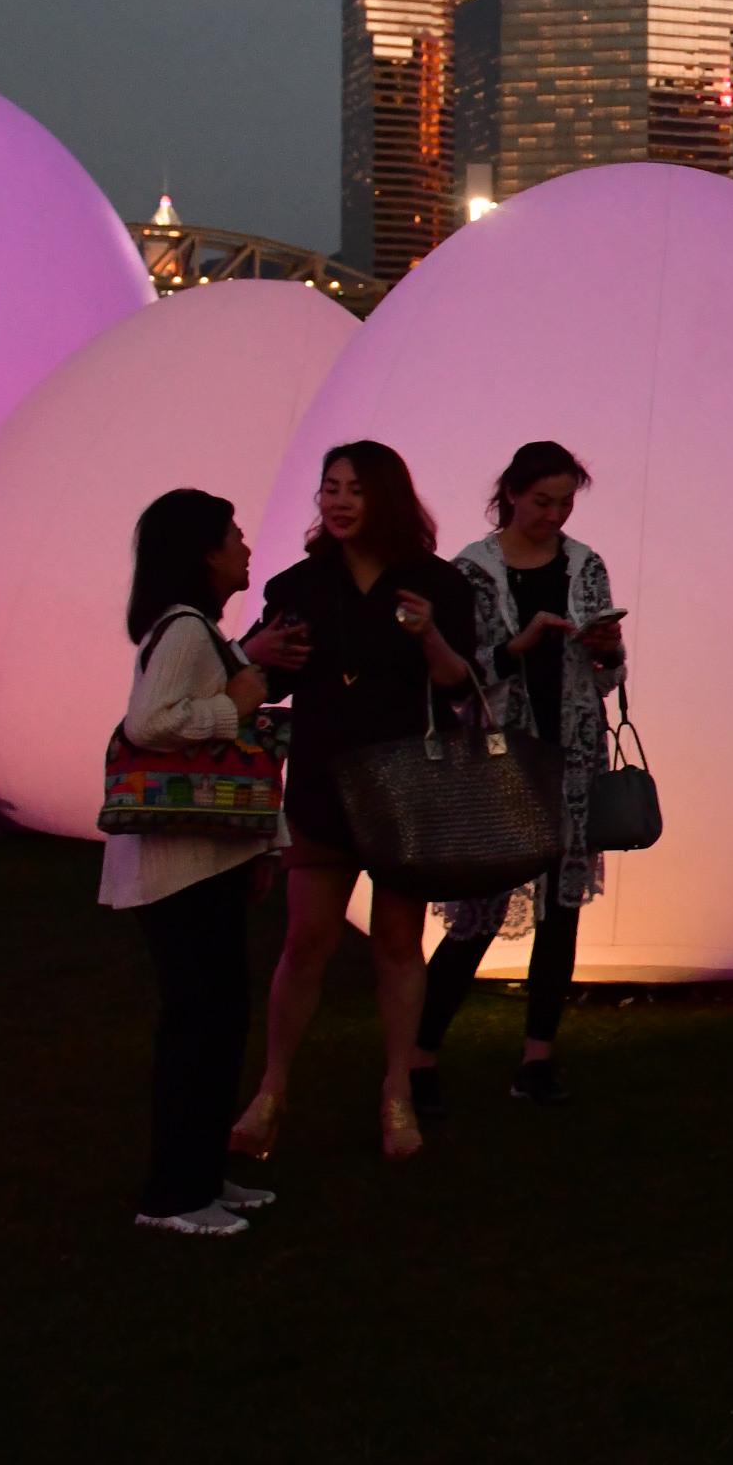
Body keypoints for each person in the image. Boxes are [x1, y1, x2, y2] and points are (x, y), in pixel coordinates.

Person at [228, 441, 478, 1164]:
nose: (336, 502)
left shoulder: (435, 584)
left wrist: (427, 632)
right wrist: (260, 651)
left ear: (387, 500)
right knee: (307, 938)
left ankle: (397, 1090)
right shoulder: (300, 584)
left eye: (354, 491)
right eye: (329, 488)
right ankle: (272, 1089)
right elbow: (262, 682)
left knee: (398, 941)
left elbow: (460, 687)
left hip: (402, 786)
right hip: (322, 783)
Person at [104, 488, 300, 1239]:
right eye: (235, 536)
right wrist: (240, 699)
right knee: (200, 1025)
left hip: (199, 863)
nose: (246, 547)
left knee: (214, 1023)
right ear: (203, 554)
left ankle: (198, 1178)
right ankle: (174, 1197)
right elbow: (152, 723)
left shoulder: (193, 631)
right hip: (178, 867)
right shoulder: (186, 630)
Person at [412, 440, 626, 1111]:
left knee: (561, 907)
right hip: (498, 754)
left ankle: (538, 1056)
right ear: (511, 492)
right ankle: (419, 1057)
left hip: (570, 749)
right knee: (479, 908)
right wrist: (518, 647)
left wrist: (607, 651)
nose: (554, 516)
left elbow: (610, 677)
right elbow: (453, 677)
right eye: (542, 501)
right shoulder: (470, 574)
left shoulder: (585, 565)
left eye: (564, 503)